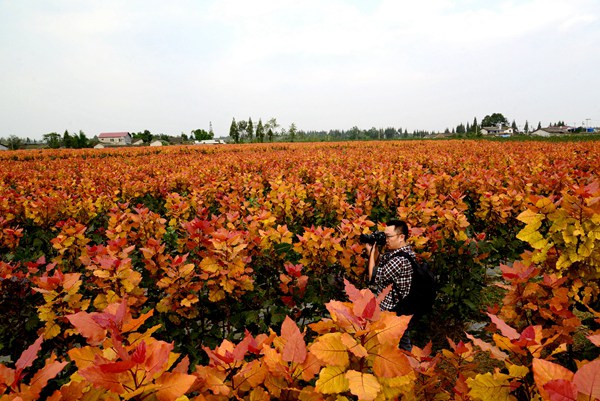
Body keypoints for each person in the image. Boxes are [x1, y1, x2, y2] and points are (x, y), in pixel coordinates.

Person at [365, 219, 415, 351]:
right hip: (398, 308)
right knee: (402, 344)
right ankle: (407, 368)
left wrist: (372, 252)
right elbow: (380, 262)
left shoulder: (400, 260)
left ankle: (407, 369)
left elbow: (373, 276)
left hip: (394, 310)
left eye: (388, 236)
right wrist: (373, 250)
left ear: (401, 237)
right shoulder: (399, 253)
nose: (386, 239)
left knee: (397, 347)